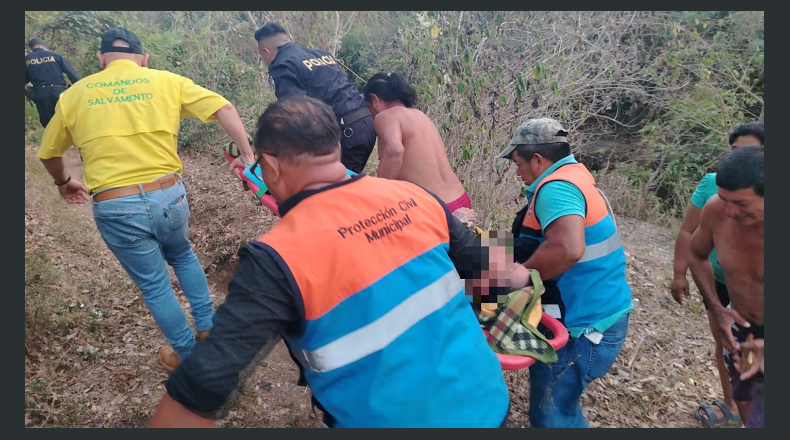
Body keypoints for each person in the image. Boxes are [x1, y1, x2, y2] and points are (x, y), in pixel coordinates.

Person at [148, 95, 530, 428]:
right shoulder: (417, 197)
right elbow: (495, 274)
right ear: (332, 146)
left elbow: (205, 382)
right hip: (487, 405)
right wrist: (527, 275)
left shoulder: (275, 258)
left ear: (270, 164)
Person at [36, 28, 256, 372]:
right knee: (182, 254)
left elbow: (48, 152)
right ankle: (209, 329)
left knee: (155, 285)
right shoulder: (166, 81)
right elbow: (224, 107)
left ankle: (190, 359)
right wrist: (246, 154)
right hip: (169, 195)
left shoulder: (74, 95)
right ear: (144, 59)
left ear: (101, 59)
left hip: (116, 205)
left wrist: (64, 181)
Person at [497, 117, 632, 428]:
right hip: (598, 308)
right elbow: (539, 241)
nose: (517, 172)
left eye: (518, 163)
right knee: (557, 408)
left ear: (538, 159)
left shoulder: (556, 189)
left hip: (583, 326)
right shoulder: (573, 176)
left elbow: (568, 248)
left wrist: (523, 274)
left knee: (552, 413)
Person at [670, 121, 764, 426]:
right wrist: (717, 308)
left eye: (741, 203)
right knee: (750, 402)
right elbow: (697, 254)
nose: (731, 212)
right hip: (748, 333)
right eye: (725, 201)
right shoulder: (716, 210)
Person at [254, 22, 376, 173]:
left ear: (265, 51)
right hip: (366, 125)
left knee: (333, 192)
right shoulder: (321, 54)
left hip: (345, 135)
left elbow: (296, 112)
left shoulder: (282, 65)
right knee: (348, 185)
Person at [364, 72, 471, 215]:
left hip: (435, 209)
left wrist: (379, 195)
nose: (371, 114)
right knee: (477, 238)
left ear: (375, 100)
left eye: (368, 107)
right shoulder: (420, 115)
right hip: (461, 199)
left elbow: (394, 150)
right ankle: (505, 238)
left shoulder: (386, 116)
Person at [25, 37, 81, 127]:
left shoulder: (27, 60)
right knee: (65, 121)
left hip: (41, 95)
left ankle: (52, 140)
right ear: (45, 46)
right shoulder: (56, 56)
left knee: (48, 125)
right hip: (59, 93)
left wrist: (29, 89)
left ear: (31, 49)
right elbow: (73, 75)